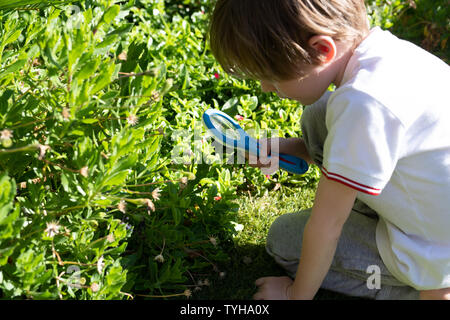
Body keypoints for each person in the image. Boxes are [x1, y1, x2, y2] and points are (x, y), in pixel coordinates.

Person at [209, 0, 450, 300]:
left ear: (323, 50)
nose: (266, 88)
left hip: (431, 248)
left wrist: (294, 294)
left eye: (272, 76)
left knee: (285, 241)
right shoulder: (387, 56)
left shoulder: (362, 107)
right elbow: (354, 145)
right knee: (320, 114)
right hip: (434, 207)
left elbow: (327, 226)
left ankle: (426, 288)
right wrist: (279, 149)